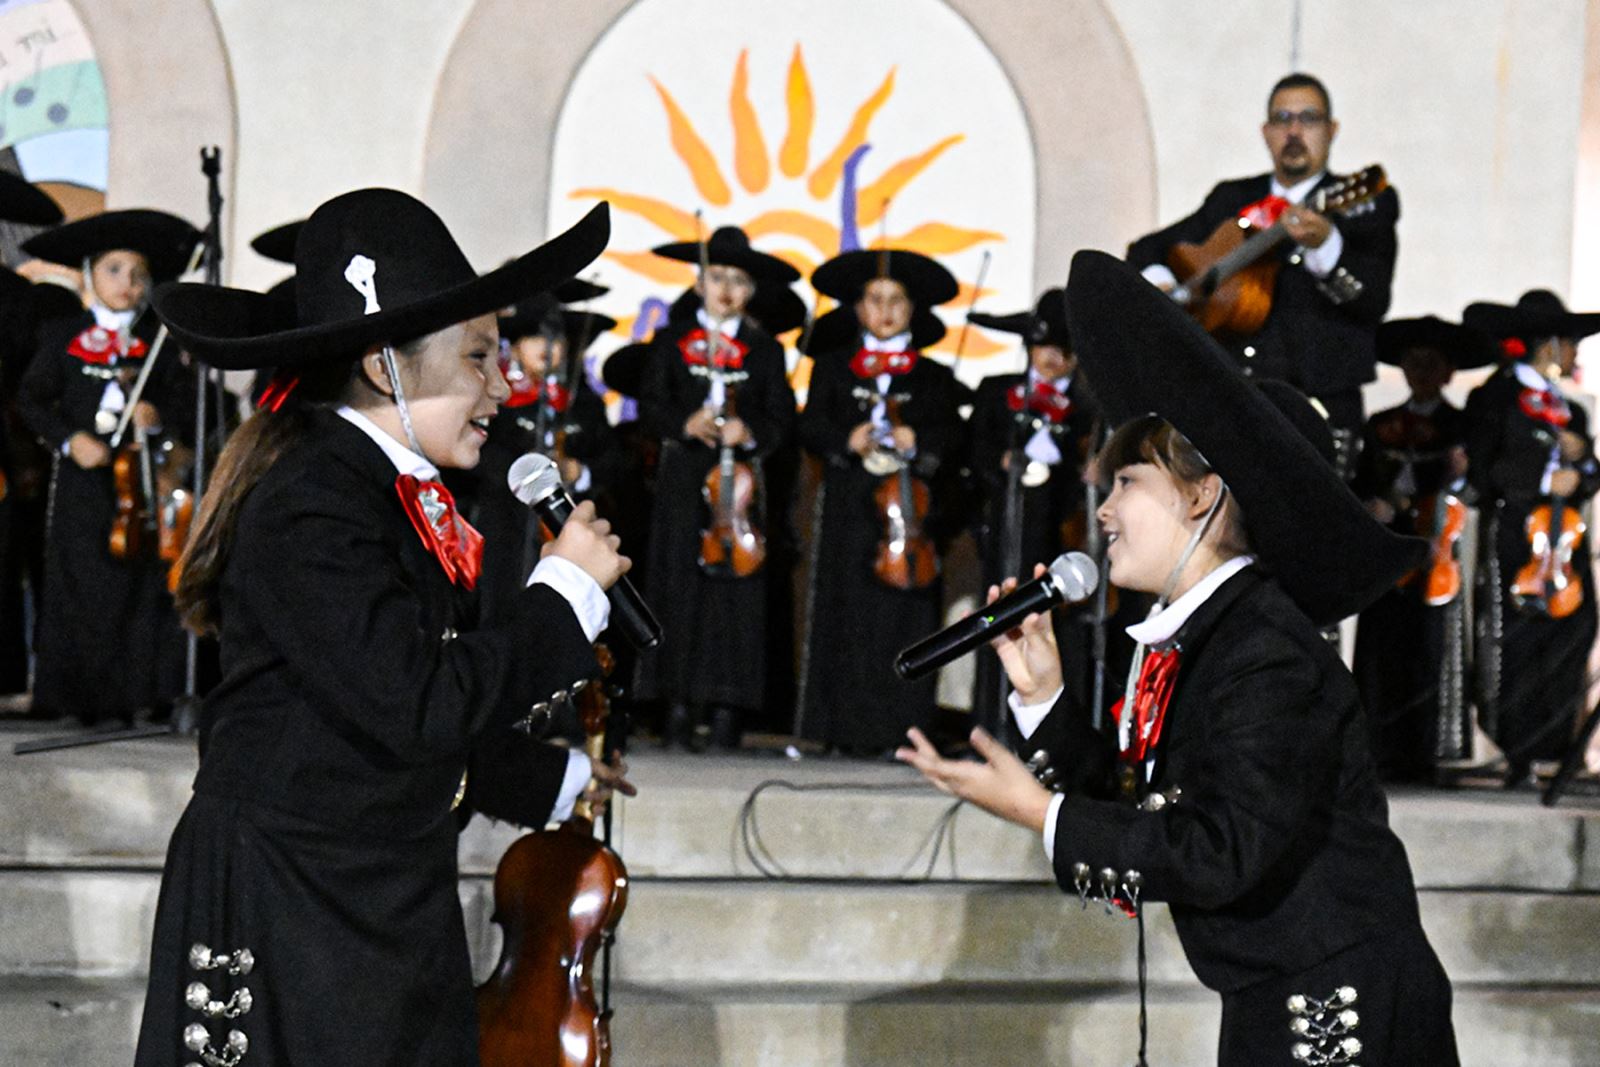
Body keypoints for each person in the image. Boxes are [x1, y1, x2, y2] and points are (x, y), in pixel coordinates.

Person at [899, 250, 1457, 1066]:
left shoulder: (1265, 650)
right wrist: (1044, 699)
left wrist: (1040, 814)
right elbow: (1149, 803)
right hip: (1279, 991)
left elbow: (1218, 847)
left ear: (1201, 497)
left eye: (1125, 480)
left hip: (1338, 1007)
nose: (1106, 508)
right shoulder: (1206, 633)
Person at [131, 189, 634, 1066]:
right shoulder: (312, 501)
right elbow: (413, 700)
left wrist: (549, 777)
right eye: (479, 355)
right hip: (292, 890)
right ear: (385, 367)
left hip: (369, 882)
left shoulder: (383, 493)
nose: (505, 384)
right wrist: (559, 599)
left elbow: (373, 710)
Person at [1127, 72, 1399, 470]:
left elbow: (1371, 300)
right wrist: (1173, 291)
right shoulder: (1232, 199)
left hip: (1317, 407)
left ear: (1331, 129)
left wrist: (1324, 244)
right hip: (1232, 400)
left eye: (1308, 118)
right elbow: (1146, 249)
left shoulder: (1366, 205)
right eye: (1282, 119)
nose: (1294, 131)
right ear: (1266, 131)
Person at [14, 208, 200, 724]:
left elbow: (183, 407)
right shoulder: (62, 334)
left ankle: (130, 697)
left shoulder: (160, 341)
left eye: (138, 273)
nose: (128, 283)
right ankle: (70, 698)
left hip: (137, 482)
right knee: (78, 581)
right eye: (115, 270)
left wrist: (156, 417)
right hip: (82, 479)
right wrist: (69, 439)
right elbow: (32, 399)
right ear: (92, 273)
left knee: (135, 585)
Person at [633, 225, 798, 750]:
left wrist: (749, 431)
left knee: (737, 598)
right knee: (678, 589)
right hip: (685, 485)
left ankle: (728, 707)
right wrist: (686, 423)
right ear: (699, 283)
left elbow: (782, 419)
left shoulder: (764, 349)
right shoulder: (669, 341)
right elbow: (649, 405)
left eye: (738, 281)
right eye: (717, 277)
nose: (727, 289)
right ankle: (676, 705)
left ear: (750, 291)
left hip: (740, 491)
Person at [798, 248, 964, 756]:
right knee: (847, 618)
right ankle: (839, 730)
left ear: (913, 310)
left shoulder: (933, 376)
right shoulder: (832, 368)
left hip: (907, 521)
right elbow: (808, 426)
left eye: (897, 301)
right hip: (851, 514)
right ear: (859, 307)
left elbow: (956, 436)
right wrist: (846, 439)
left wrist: (921, 440)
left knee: (904, 621)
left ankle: (904, 732)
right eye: (875, 300)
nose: (886, 310)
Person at [1462, 290, 1600, 787]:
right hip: (1518, 537)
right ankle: (1516, 747)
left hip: (1566, 540)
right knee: (1515, 638)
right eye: (1569, 343)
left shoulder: (1572, 411)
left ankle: (1559, 745)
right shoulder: (1495, 398)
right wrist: (1543, 482)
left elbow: (1590, 475)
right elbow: (1485, 467)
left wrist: (1581, 462)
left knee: (1572, 631)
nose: (1575, 353)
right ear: (1549, 344)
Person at [1352, 316, 1495, 781]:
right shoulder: (1380, 425)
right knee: (1383, 648)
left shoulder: (1464, 426)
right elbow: (1360, 483)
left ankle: (1428, 752)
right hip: (1390, 551)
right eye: (1414, 363)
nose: (1422, 371)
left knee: (1433, 649)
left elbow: (1478, 489)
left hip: (1437, 553)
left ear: (1448, 372)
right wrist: (1371, 503)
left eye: (1432, 363)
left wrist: (1457, 480)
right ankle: (1379, 749)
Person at [966, 288, 1100, 735]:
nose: (1052, 358)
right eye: (1044, 347)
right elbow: (972, 452)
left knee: (1055, 632)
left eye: (1064, 350)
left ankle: (1045, 733)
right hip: (1006, 527)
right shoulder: (998, 392)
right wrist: (998, 463)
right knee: (997, 621)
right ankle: (991, 724)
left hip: (1060, 533)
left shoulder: (1087, 409)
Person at [472, 291, 624, 623]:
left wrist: (579, 471)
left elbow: (614, 460)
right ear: (515, 346)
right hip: (507, 529)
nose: (546, 345)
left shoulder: (584, 403)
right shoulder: (495, 402)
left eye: (556, 339)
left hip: (567, 532)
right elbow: (480, 461)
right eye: (533, 336)